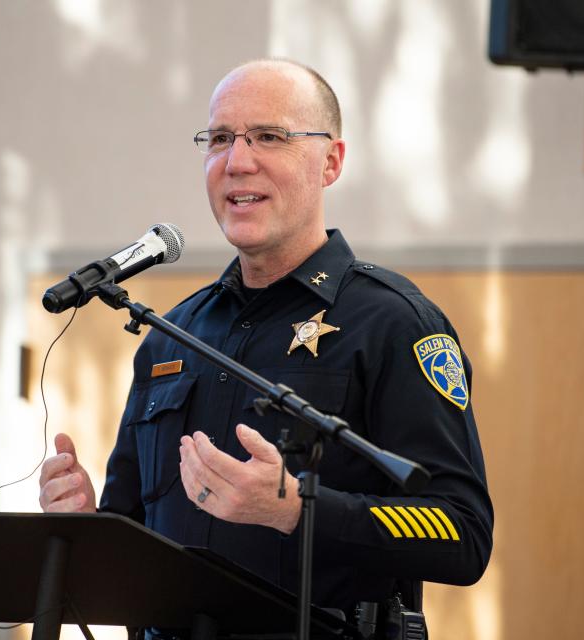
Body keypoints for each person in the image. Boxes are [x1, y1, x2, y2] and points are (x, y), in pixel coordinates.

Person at [39, 59, 493, 620]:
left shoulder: (395, 323)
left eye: (269, 137)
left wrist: (297, 510)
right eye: (221, 138)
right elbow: (135, 537)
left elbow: (462, 531)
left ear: (331, 162)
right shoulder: (171, 336)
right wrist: (90, 529)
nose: (237, 161)